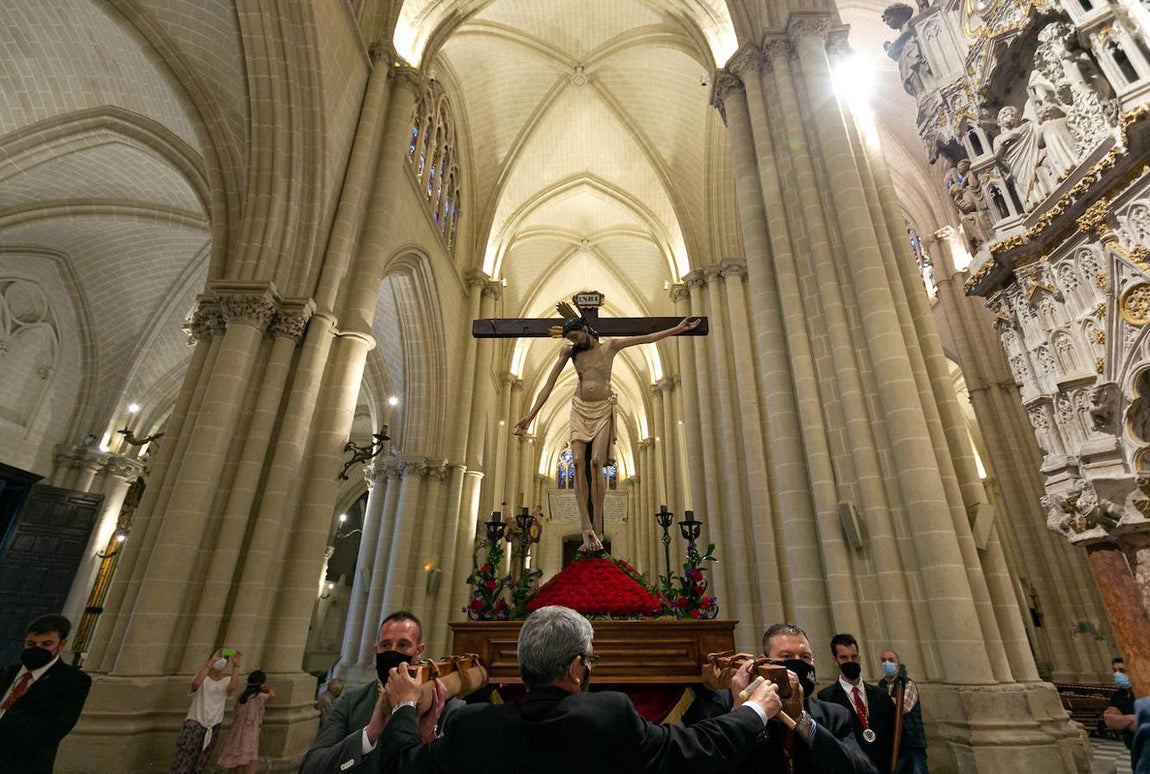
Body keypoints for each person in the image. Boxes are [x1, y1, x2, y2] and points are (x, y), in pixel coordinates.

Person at [376, 604, 782, 773]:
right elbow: (696, 747)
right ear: (576, 668)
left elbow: (398, 765)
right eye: (590, 660)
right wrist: (753, 709)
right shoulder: (608, 716)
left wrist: (405, 707)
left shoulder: (472, 726)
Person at [515, 316, 701, 552]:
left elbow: (646, 338)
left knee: (596, 463)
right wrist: (530, 416)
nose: (574, 342)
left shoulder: (610, 346)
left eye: (575, 336)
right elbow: (548, 385)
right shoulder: (569, 352)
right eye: (570, 339)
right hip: (580, 409)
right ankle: (586, 526)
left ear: (585, 329)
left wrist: (678, 328)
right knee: (578, 462)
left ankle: (598, 526)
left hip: (603, 409)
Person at [687, 622, 877, 773]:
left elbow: (864, 769)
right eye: (786, 656)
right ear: (763, 660)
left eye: (805, 657)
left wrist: (803, 721)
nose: (798, 663)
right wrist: (742, 714)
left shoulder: (835, 715)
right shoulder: (726, 704)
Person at [300, 611, 446, 774]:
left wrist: (426, 735)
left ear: (418, 651)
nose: (392, 651)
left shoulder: (439, 702)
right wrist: (369, 734)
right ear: (376, 650)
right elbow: (310, 767)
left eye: (403, 645)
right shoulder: (351, 702)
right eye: (385, 645)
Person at [0, 614, 92, 774]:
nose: (37, 649)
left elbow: (51, 730)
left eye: (46, 644)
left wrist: (2, 714)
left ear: (61, 645)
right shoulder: (10, 672)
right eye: (31, 644)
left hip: (22, 765)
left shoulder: (73, 681)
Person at [818, 634, 896, 774]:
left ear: (859, 658)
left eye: (853, 657)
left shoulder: (881, 695)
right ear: (835, 660)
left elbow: (895, 734)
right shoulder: (826, 698)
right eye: (844, 658)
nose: (850, 661)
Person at [172, 648, 242, 773]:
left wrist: (236, 666)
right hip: (195, 723)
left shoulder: (226, 681)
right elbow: (195, 685)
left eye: (224, 659)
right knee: (185, 758)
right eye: (219, 658)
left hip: (213, 725)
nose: (221, 661)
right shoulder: (202, 677)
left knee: (202, 760)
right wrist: (210, 664)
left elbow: (232, 687)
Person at [879, 650, 928, 774]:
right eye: (883, 660)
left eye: (890, 660)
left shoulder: (907, 684)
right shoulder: (881, 685)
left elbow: (902, 708)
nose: (887, 663)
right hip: (893, 743)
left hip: (912, 741)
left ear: (898, 662)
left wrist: (885, 702)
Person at [217, 669, 275, 773]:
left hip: (236, 733)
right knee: (249, 764)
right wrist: (267, 688)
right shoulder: (259, 697)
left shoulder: (242, 697)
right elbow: (272, 695)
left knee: (233, 765)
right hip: (249, 734)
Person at [1104, 656, 1136, 750]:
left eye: (1122, 670)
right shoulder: (1118, 694)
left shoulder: (1144, 691)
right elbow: (1109, 721)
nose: (1117, 674)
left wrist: (1122, 719)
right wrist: (1132, 718)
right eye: (1115, 671)